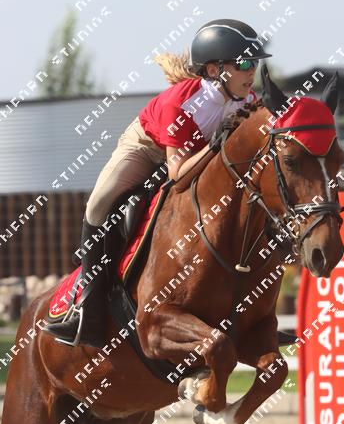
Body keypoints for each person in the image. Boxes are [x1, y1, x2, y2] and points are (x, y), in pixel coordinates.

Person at [43, 18, 271, 348]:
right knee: (98, 205)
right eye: (244, 64)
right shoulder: (178, 103)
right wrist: (214, 145)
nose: (252, 72)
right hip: (147, 148)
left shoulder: (247, 102)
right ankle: (86, 307)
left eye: (255, 64)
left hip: (195, 155)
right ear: (213, 70)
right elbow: (177, 173)